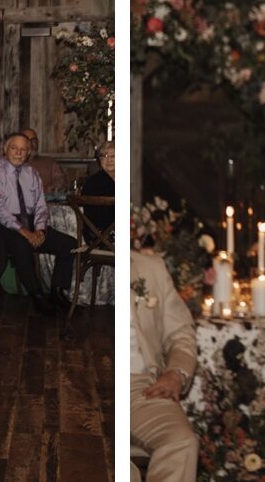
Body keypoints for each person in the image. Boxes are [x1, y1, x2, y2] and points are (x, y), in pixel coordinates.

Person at [0, 132, 78, 313]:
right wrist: (25, 232)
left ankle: (57, 292)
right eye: (14, 148)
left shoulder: (31, 172)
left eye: (23, 150)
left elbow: (41, 205)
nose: (18, 153)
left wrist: (40, 230)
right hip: (2, 225)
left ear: (28, 153)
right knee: (21, 244)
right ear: (5, 149)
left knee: (69, 244)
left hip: (32, 222)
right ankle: (37, 296)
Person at [130, 251, 199, 482]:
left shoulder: (150, 268)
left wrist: (176, 372)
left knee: (182, 442)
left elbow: (180, 333)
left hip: (140, 386)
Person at [20, 128, 70, 197]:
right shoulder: (12, 164)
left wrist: (43, 189)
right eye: (27, 140)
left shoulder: (50, 163)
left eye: (34, 140)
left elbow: (62, 185)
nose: (31, 144)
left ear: (37, 143)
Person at [83, 141, 117, 232]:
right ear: (99, 160)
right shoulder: (92, 183)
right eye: (104, 156)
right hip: (100, 235)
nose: (108, 160)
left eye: (113, 156)